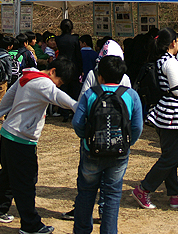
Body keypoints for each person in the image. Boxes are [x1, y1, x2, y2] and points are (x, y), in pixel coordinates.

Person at [0, 57, 78, 234]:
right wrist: (79, 107)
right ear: (53, 72)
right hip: (21, 139)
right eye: (59, 81)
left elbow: (9, 96)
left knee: (8, 175)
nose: (58, 85)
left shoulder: (27, 76)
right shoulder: (44, 84)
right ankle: (31, 225)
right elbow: (60, 97)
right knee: (26, 181)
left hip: (8, 134)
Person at [72, 55, 143, 234]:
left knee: (86, 193)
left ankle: (82, 230)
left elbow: (77, 123)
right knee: (112, 195)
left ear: (99, 76)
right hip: (119, 152)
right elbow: (137, 127)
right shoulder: (131, 95)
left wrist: (86, 138)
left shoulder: (90, 94)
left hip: (92, 150)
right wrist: (128, 143)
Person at [132, 28, 178, 210]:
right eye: (177, 41)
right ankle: (144, 189)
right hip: (171, 116)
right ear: (173, 43)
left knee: (170, 156)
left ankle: (175, 194)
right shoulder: (170, 62)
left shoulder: (161, 60)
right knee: (171, 158)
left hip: (165, 115)